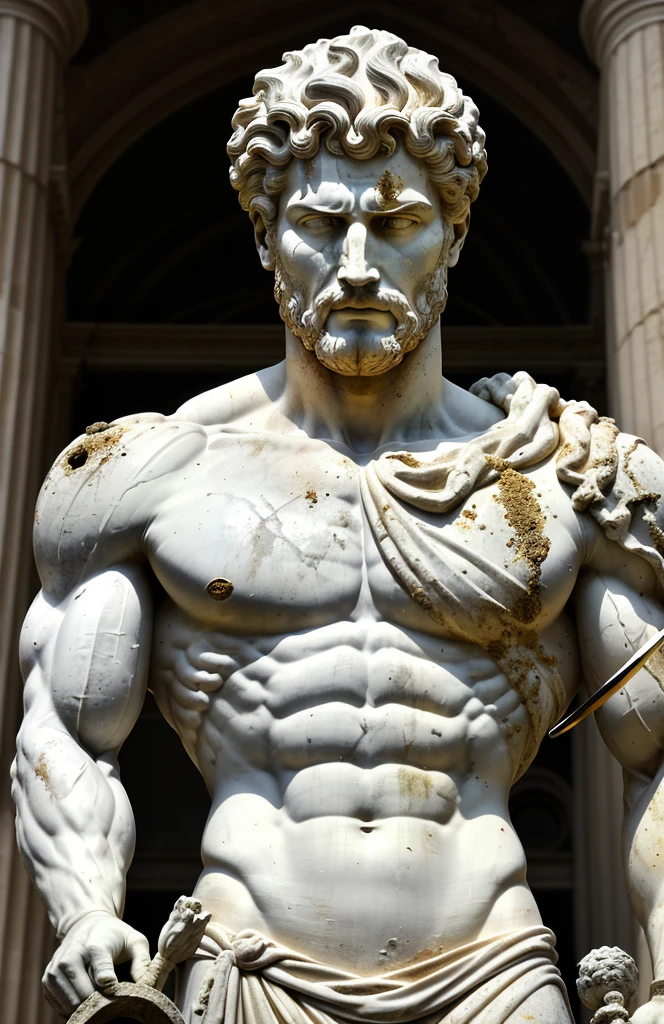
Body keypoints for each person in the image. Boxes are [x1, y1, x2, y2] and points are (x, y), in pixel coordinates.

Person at [12, 26, 664, 1024]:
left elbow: (658, 744)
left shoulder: (560, 471)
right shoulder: (151, 475)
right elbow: (62, 723)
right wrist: (84, 910)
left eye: (396, 220)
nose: (357, 265)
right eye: (321, 224)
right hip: (250, 958)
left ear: (450, 234)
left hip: (493, 965)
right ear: (269, 235)